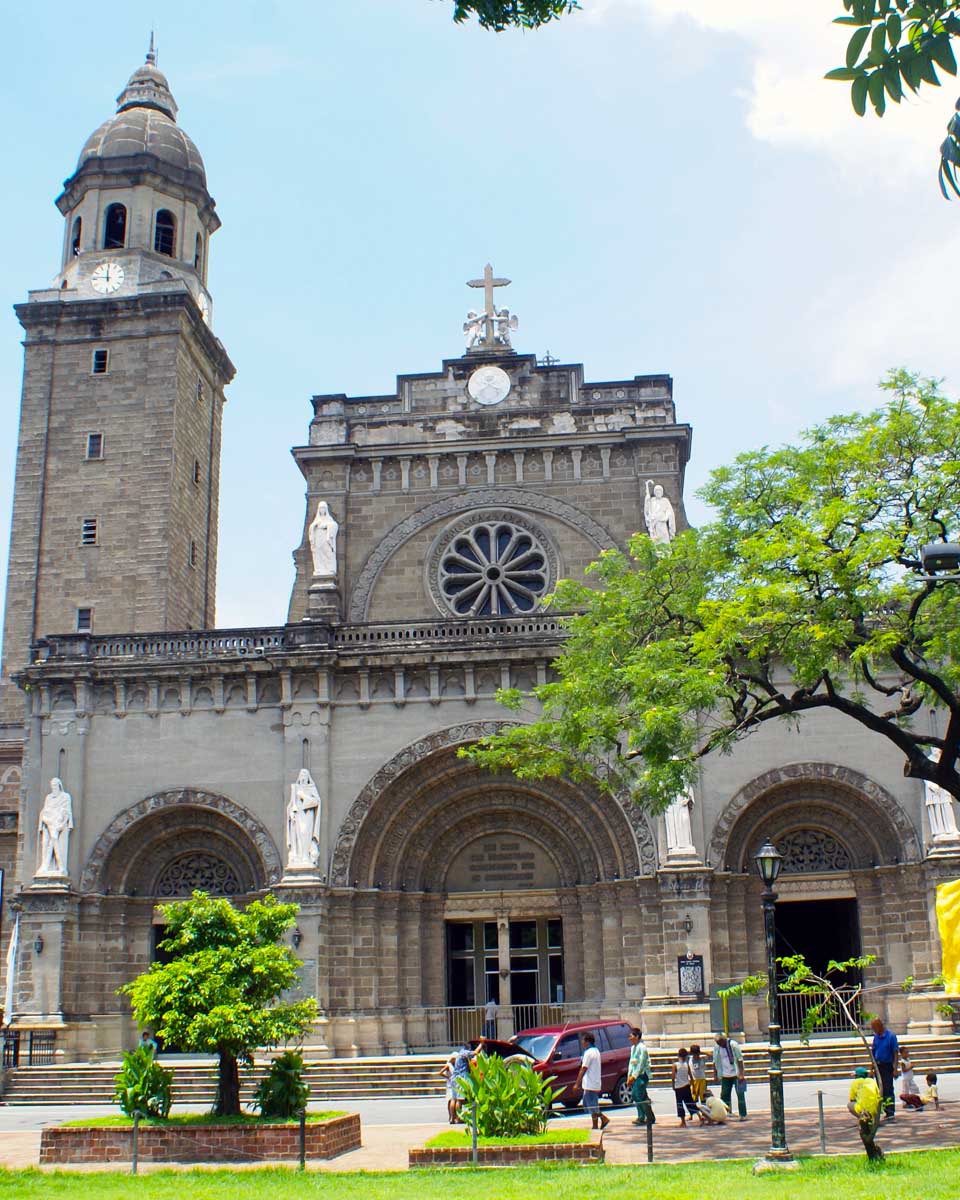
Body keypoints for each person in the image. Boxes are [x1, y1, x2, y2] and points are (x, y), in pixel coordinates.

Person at [848, 1065, 884, 1160]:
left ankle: (861, 1117)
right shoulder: (872, 1081)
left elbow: (851, 1098)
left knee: (850, 1105)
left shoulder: (855, 1083)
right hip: (874, 1109)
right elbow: (877, 1093)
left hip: (862, 1109)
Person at [574, 1032, 609, 1130]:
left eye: (583, 1040)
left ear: (587, 1041)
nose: (582, 1042)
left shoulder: (588, 1053)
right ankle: (596, 1124)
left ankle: (603, 1118)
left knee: (592, 1106)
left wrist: (577, 1083)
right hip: (594, 1081)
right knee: (591, 1105)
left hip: (590, 1083)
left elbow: (583, 1068)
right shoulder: (596, 1051)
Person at [712, 1033, 747, 1121]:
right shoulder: (717, 1048)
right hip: (724, 1074)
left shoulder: (733, 1045)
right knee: (724, 1095)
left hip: (736, 1074)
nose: (719, 1044)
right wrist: (715, 1074)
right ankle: (725, 1113)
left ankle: (743, 1114)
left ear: (724, 1040)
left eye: (720, 1042)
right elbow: (715, 1061)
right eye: (717, 1042)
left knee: (740, 1094)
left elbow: (740, 1060)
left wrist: (741, 1074)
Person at [870, 1017, 899, 1121]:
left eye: (874, 1027)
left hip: (887, 1066)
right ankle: (884, 1111)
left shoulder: (891, 1036)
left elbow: (895, 1053)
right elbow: (873, 1053)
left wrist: (895, 1069)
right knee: (880, 1090)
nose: (873, 1030)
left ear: (879, 1026)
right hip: (878, 1066)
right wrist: (871, 1069)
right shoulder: (876, 1037)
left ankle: (890, 1112)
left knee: (888, 1089)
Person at [626, 1026, 654, 1126]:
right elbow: (631, 1063)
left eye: (631, 1036)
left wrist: (634, 1076)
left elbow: (641, 1064)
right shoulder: (633, 1048)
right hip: (634, 1075)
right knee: (640, 1096)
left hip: (642, 1075)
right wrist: (629, 1076)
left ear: (637, 1036)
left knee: (637, 1095)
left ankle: (643, 1116)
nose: (629, 1038)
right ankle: (648, 1116)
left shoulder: (642, 1048)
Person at [449, 1039, 481, 1122]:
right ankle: (458, 1118)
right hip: (461, 1077)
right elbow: (475, 1053)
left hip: (454, 1077)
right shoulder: (464, 1053)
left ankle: (452, 1118)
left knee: (454, 1099)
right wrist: (481, 1044)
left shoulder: (459, 1054)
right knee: (460, 1099)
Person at [671, 1047, 699, 1127]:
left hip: (679, 1087)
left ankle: (683, 1122)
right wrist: (693, 1086)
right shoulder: (687, 1065)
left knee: (680, 1104)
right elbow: (691, 1076)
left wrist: (673, 1085)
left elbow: (673, 1076)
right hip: (687, 1086)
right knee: (690, 1103)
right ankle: (700, 1117)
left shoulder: (675, 1065)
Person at [440, 1053, 458, 1123]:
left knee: (451, 1101)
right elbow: (440, 1072)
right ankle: (452, 1117)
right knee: (452, 1100)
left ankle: (452, 1117)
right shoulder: (448, 1065)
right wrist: (448, 1077)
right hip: (451, 1084)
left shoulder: (454, 1065)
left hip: (452, 1083)